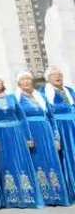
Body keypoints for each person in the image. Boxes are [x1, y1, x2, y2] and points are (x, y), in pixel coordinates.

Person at [0, 71, 43, 208]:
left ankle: (27, 195)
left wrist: (28, 137)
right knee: (4, 164)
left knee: (21, 161)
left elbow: (22, 117)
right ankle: (11, 197)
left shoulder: (12, 97)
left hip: (16, 133)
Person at [16, 70, 70, 205]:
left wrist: (56, 137)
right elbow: (18, 119)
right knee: (36, 162)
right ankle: (43, 196)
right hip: (30, 133)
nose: (26, 82)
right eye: (23, 80)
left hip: (46, 132)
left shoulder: (40, 96)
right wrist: (25, 137)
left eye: (28, 79)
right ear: (19, 83)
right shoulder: (16, 98)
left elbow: (51, 117)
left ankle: (57, 195)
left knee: (52, 161)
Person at [44, 65, 75, 200]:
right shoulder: (44, 92)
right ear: (48, 79)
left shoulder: (69, 90)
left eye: (60, 75)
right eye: (54, 75)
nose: (58, 77)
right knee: (68, 155)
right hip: (62, 127)